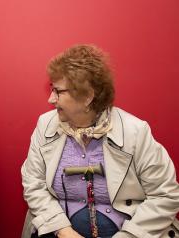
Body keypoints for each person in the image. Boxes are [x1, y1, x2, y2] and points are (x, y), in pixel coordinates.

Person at [21, 44, 179, 238]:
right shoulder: (45, 124)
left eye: (58, 92)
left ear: (87, 97)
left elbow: (165, 195)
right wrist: (63, 230)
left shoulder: (135, 132)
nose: (51, 99)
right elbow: (33, 183)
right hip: (57, 228)